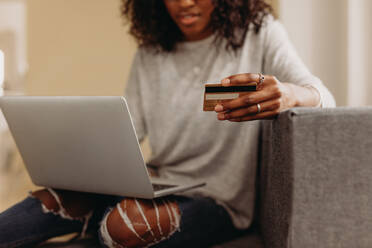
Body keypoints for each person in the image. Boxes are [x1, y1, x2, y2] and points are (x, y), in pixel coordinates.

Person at [0, 0, 335, 247]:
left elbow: (324, 96)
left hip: (217, 201)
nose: (183, 3)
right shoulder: (151, 52)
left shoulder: (259, 35)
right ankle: (93, 221)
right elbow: (128, 130)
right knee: (40, 206)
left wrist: (290, 94)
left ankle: (93, 225)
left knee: (124, 227)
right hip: (154, 184)